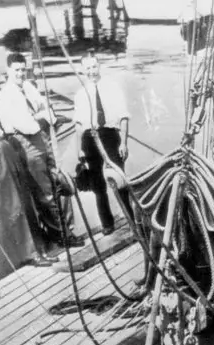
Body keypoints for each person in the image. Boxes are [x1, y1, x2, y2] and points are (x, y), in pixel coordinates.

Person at [0, 52, 80, 249]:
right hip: (27, 144)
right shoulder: (6, 95)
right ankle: (60, 235)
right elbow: (28, 126)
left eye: (23, 69)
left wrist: (40, 117)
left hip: (43, 140)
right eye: (16, 70)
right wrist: (41, 118)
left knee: (60, 183)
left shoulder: (28, 87)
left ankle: (67, 229)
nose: (20, 74)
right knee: (45, 193)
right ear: (8, 70)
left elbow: (48, 111)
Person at [73, 52, 132, 236]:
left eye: (94, 67)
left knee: (119, 180)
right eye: (87, 68)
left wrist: (124, 142)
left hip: (109, 135)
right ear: (82, 70)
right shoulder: (80, 94)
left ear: (99, 66)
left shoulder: (113, 87)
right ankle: (107, 224)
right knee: (98, 185)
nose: (91, 71)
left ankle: (132, 220)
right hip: (89, 138)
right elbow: (78, 126)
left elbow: (123, 117)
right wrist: (79, 149)